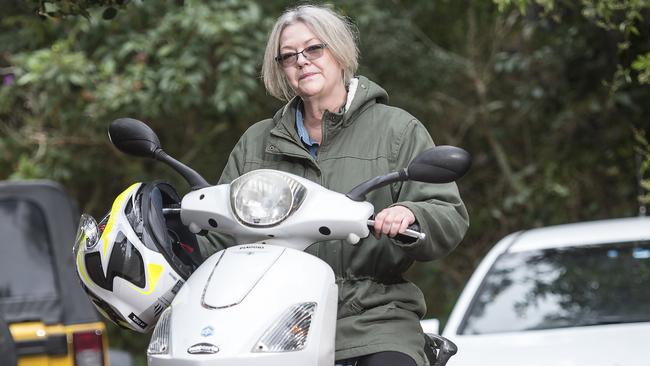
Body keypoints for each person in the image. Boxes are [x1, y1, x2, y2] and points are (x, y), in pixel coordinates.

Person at [207, 5, 469, 366]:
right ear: (280, 69)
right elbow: (218, 232)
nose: (302, 61)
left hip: (372, 316)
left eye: (314, 49)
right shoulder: (256, 143)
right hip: (272, 323)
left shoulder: (397, 130)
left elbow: (447, 213)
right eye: (288, 56)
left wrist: (411, 212)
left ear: (340, 51)